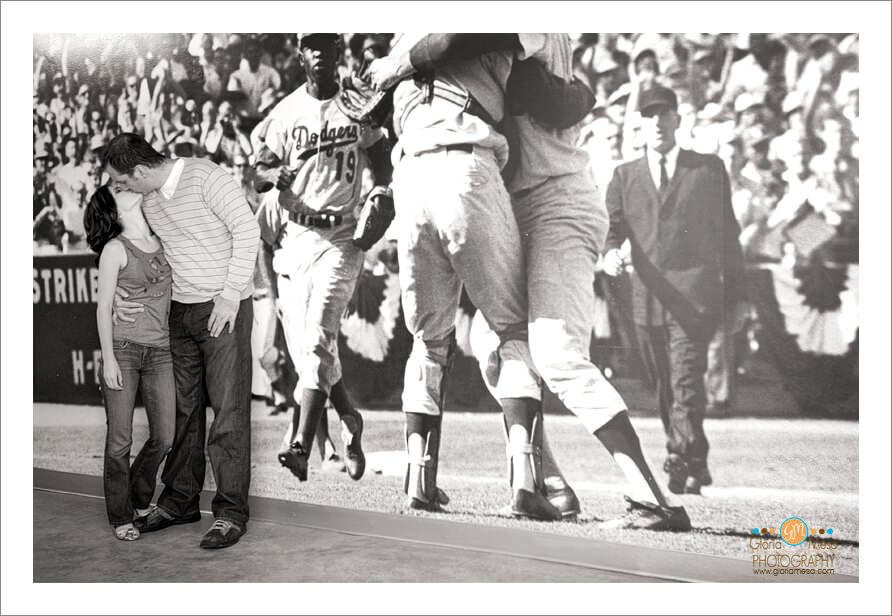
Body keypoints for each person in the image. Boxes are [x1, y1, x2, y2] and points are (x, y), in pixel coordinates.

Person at [393, 33, 693, 530]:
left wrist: (401, 62)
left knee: (556, 354)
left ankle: (655, 499)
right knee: (492, 343)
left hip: (558, 199)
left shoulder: (525, 25)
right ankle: (549, 484)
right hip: (512, 202)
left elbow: (533, 86)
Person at [367, 34, 569, 519]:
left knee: (427, 341)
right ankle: (524, 481)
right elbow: (459, 36)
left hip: (410, 175)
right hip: (464, 163)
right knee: (511, 328)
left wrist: (392, 66)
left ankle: (418, 479)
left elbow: (375, 107)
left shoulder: (401, 30)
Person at [103, 132, 260, 550]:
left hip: (222, 308)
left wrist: (229, 295)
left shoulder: (208, 177)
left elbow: (248, 230)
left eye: (123, 181)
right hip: (179, 314)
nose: (122, 189)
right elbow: (131, 245)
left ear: (139, 171)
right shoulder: (147, 199)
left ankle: (229, 514)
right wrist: (116, 290)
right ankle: (180, 502)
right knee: (185, 414)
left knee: (228, 413)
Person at [250, 33, 392, 483]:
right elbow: (257, 173)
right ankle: (349, 419)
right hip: (295, 238)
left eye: (327, 46)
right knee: (307, 350)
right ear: (300, 54)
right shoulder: (287, 112)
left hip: (343, 236)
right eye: (312, 46)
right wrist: (274, 172)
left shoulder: (355, 104)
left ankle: (300, 444)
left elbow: (382, 157)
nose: (320, 54)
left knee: (316, 341)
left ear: (337, 54)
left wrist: (382, 191)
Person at [603, 83, 749, 496]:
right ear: (640, 126)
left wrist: (738, 296)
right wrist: (611, 252)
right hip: (645, 301)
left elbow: (729, 237)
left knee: (686, 381)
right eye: (649, 116)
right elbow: (611, 230)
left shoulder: (708, 169)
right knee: (666, 386)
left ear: (678, 121)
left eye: (664, 114)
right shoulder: (624, 175)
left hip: (694, 298)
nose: (657, 122)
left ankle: (679, 456)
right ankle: (695, 457)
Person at [83, 185, 175, 541]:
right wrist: (108, 360)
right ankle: (121, 516)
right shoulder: (114, 249)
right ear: (114, 210)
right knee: (119, 441)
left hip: (161, 350)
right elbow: (103, 306)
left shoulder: (160, 235)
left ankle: (138, 496)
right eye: (118, 190)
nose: (125, 188)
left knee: (165, 436)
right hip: (123, 348)